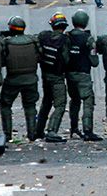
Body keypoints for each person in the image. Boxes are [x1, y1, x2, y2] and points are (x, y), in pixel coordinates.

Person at [0, 16, 41, 141]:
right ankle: (32, 133)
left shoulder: (6, 42)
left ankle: (7, 135)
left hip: (13, 79)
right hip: (30, 79)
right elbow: (40, 55)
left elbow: (2, 61)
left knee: (5, 105)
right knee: (30, 106)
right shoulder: (33, 40)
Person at [66, 10, 102, 141]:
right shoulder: (88, 38)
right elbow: (95, 62)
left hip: (70, 74)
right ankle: (88, 130)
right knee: (88, 101)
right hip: (83, 74)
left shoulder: (67, 36)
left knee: (74, 101)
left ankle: (74, 128)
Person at [35, 12, 70, 143]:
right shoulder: (65, 40)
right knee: (60, 104)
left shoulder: (43, 36)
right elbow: (66, 59)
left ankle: (38, 130)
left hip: (45, 74)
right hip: (57, 76)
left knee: (46, 102)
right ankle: (52, 131)